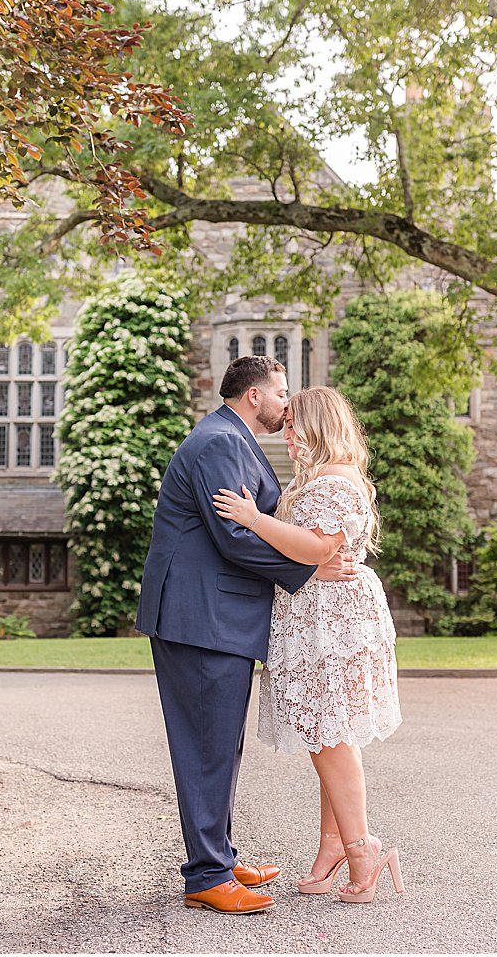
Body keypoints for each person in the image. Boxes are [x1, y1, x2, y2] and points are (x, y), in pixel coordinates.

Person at [135, 356, 359, 915]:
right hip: (200, 617)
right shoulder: (219, 442)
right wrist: (308, 571)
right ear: (254, 395)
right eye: (282, 393)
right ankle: (207, 875)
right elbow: (234, 536)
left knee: (218, 743)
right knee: (206, 746)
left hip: (214, 615)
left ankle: (219, 856)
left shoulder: (230, 438)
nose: (289, 404)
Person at [212, 385, 404, 905]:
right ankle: (332, 846)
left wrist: (253, 520)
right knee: (330, 733)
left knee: (330, 735)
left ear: (318, 426)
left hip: (328, 616)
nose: (288, 435)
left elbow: (319, 547)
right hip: (318, 611)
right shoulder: (320, 479)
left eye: (295, 425)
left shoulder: (332, 482)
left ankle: (363, 848)